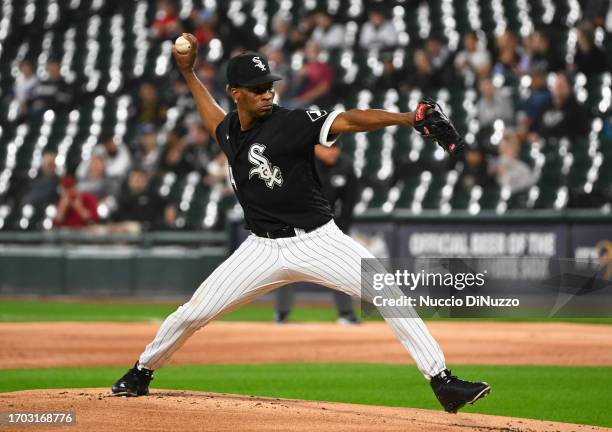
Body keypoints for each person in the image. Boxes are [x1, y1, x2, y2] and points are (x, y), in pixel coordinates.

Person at [111, 33, 491, 414]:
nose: (267, 93)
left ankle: (443, 382)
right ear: (235, 93)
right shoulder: (230, 132)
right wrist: (190, 74)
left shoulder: (291, 122)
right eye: (256, 88)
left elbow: (348, 120)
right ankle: (141, 371)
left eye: (269, 86)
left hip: (318, 241)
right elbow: (213, 119)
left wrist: (407, 118)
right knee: (193, 313)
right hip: (260, 248)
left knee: (386, 291)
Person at [274, 144, 360, 325]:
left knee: (341, 267)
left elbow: (349, 202)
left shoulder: (345, 166)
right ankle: (281, 314)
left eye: (336, 147)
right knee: (287, 267)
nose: (333, 151)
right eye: (328, 147)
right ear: (316, 148)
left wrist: (341, 229)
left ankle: (346, 314)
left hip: (328, 225)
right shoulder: (302, 163)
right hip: (298, 223)